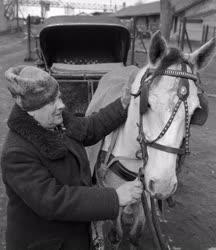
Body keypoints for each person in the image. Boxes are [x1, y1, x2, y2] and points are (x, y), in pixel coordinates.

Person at [1, 65, 143, 250]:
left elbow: (89, 128)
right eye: (51, 102)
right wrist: (114, 197)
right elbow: (53, 201)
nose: (61, 105)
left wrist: (123, 103)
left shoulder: (56, 121)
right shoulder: (16, 153)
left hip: (73, 236)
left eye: (58, 97)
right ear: (31, 111)